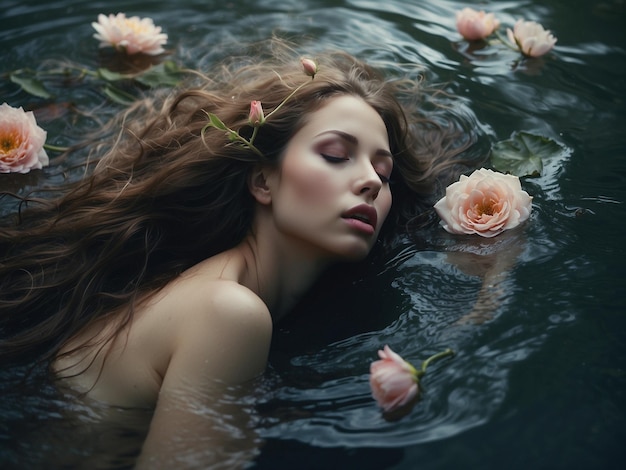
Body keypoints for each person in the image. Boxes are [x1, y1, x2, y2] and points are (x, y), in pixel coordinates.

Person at [0, 41, 476, 467]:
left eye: (384, 171)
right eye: (335, 154)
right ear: (262, 181)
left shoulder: (220, 295)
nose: (372, 181)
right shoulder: (229, 312)